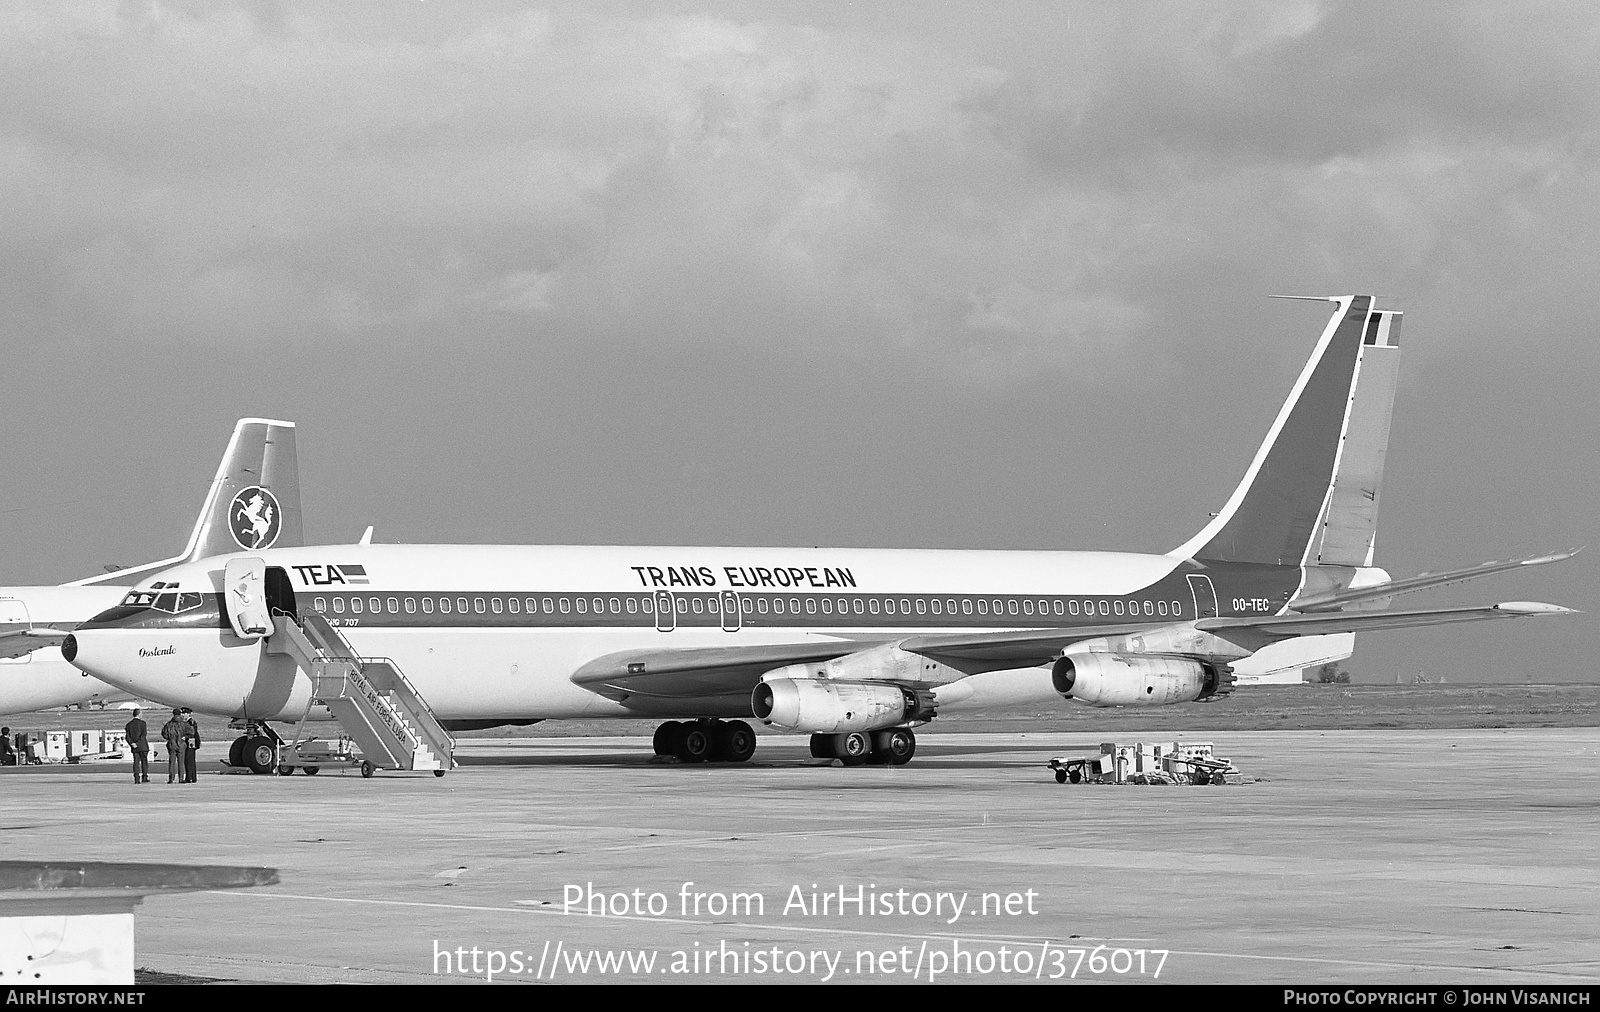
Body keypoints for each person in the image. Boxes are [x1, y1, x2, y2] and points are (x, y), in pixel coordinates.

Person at [160, 709, 188, 784]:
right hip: (181, 744)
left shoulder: (169, 724)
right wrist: (185, 737)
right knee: (181, 762)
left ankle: (171, 778)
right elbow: (191, 732)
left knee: (172, 762)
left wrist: (169, 738)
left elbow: (164, 734)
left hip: (172, 744)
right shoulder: (184, 724)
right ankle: (181, 778)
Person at [124, 709, 149, 783]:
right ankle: (144, 776)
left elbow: (127, 736)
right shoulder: (143, 723)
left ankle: (136, 778)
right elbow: (143, 735)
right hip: (142, 745)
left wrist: (132, 743)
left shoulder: (129, 724)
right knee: (144, 762)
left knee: (136, 762)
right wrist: (138, 743)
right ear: (139, 714)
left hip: (134, 747)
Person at [181, 708, 201, 783]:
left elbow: (192, 733)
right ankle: (191, 776)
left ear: (189, 714)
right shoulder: (186, 722)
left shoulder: (191, 722)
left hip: (190, 742)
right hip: (189, 742)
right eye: (182, 713)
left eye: (185, 713)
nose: (183, 715)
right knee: (188, 760)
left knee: (189, 760)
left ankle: (190, 777)